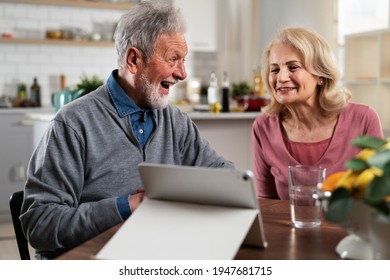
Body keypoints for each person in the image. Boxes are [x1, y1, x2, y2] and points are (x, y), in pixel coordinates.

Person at [20, 1, 234, 259]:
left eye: (183, 60)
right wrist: (127, 206)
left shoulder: (175, 121)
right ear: (134, 60)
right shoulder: (73, 123)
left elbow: (223, 176)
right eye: (173, 59)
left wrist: (187, 192)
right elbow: (40, 224)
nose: (183, 73)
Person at [252, 27, 383, 200]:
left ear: (320, 75)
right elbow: (266, 204)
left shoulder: (364, 119)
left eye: (293, 67)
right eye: (274, 69)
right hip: (289, 227)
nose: (281, 77)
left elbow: (382, 194)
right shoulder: (263, 128)